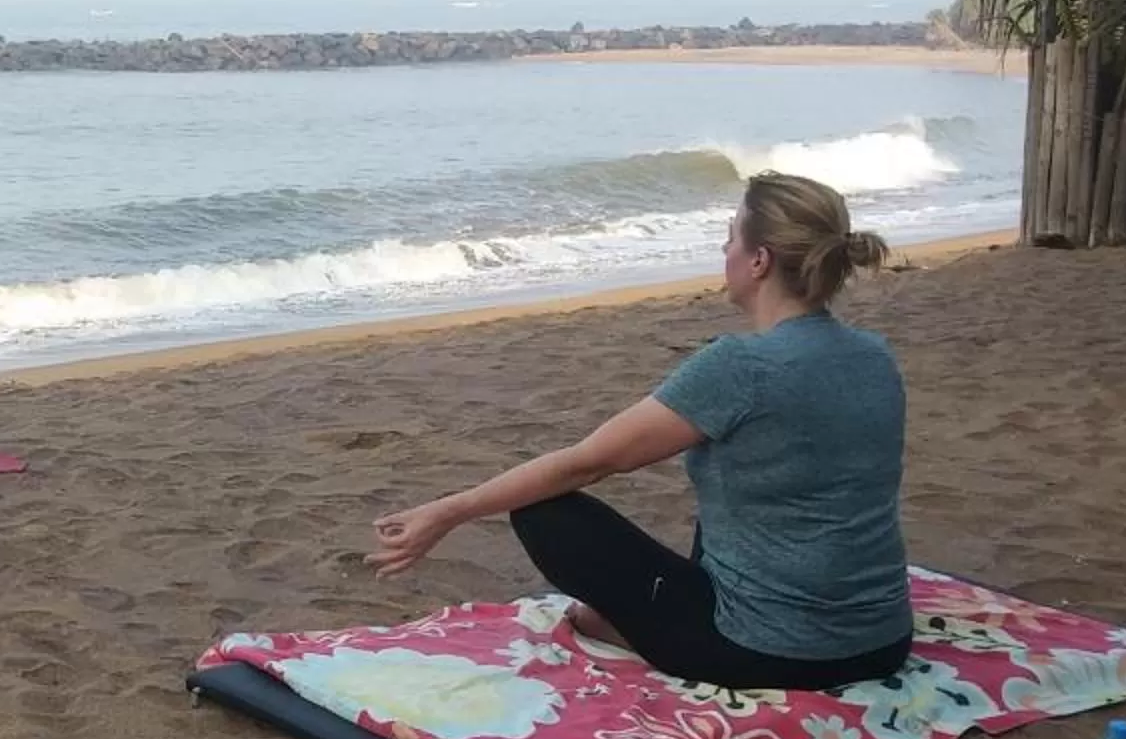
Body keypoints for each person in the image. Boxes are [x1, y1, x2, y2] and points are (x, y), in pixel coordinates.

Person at [364, 172, 911, 692]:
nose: (724, 250)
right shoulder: (874, 355)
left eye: (730, 238)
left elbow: (588, 462)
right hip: (883, 642)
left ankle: (622, 630)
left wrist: (448, 512)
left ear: (759, 261)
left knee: (543, 512)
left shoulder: (740, 366)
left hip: (767, 651)